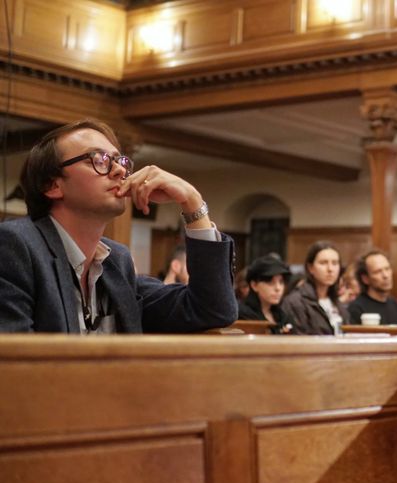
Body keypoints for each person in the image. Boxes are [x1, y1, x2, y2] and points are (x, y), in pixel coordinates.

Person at [0, 118, 237, 333]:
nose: (120, 170)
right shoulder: (15, 246)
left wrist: (192, 202)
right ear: (52, 185)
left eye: (119, 160)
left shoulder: (116, 262)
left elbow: (212, 310)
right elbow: (15, 365)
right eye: (99, 159)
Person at [281, 240, 349, 334]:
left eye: (335, 263)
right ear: (310, 268)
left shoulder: (336, 302)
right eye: (323, 263)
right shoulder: (295, 302)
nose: (330, 269)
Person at [238, 255, 293, 334]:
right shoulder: (243, 315)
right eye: (270, 282)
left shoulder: (283, 316)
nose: (278, 288)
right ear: (254, 285)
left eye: (281, 282)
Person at [348, 250, 397, 325]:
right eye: (378, 272)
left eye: (387, 269)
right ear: (365, 279)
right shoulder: (357, 308)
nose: (385, 275)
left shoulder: (395, 304)